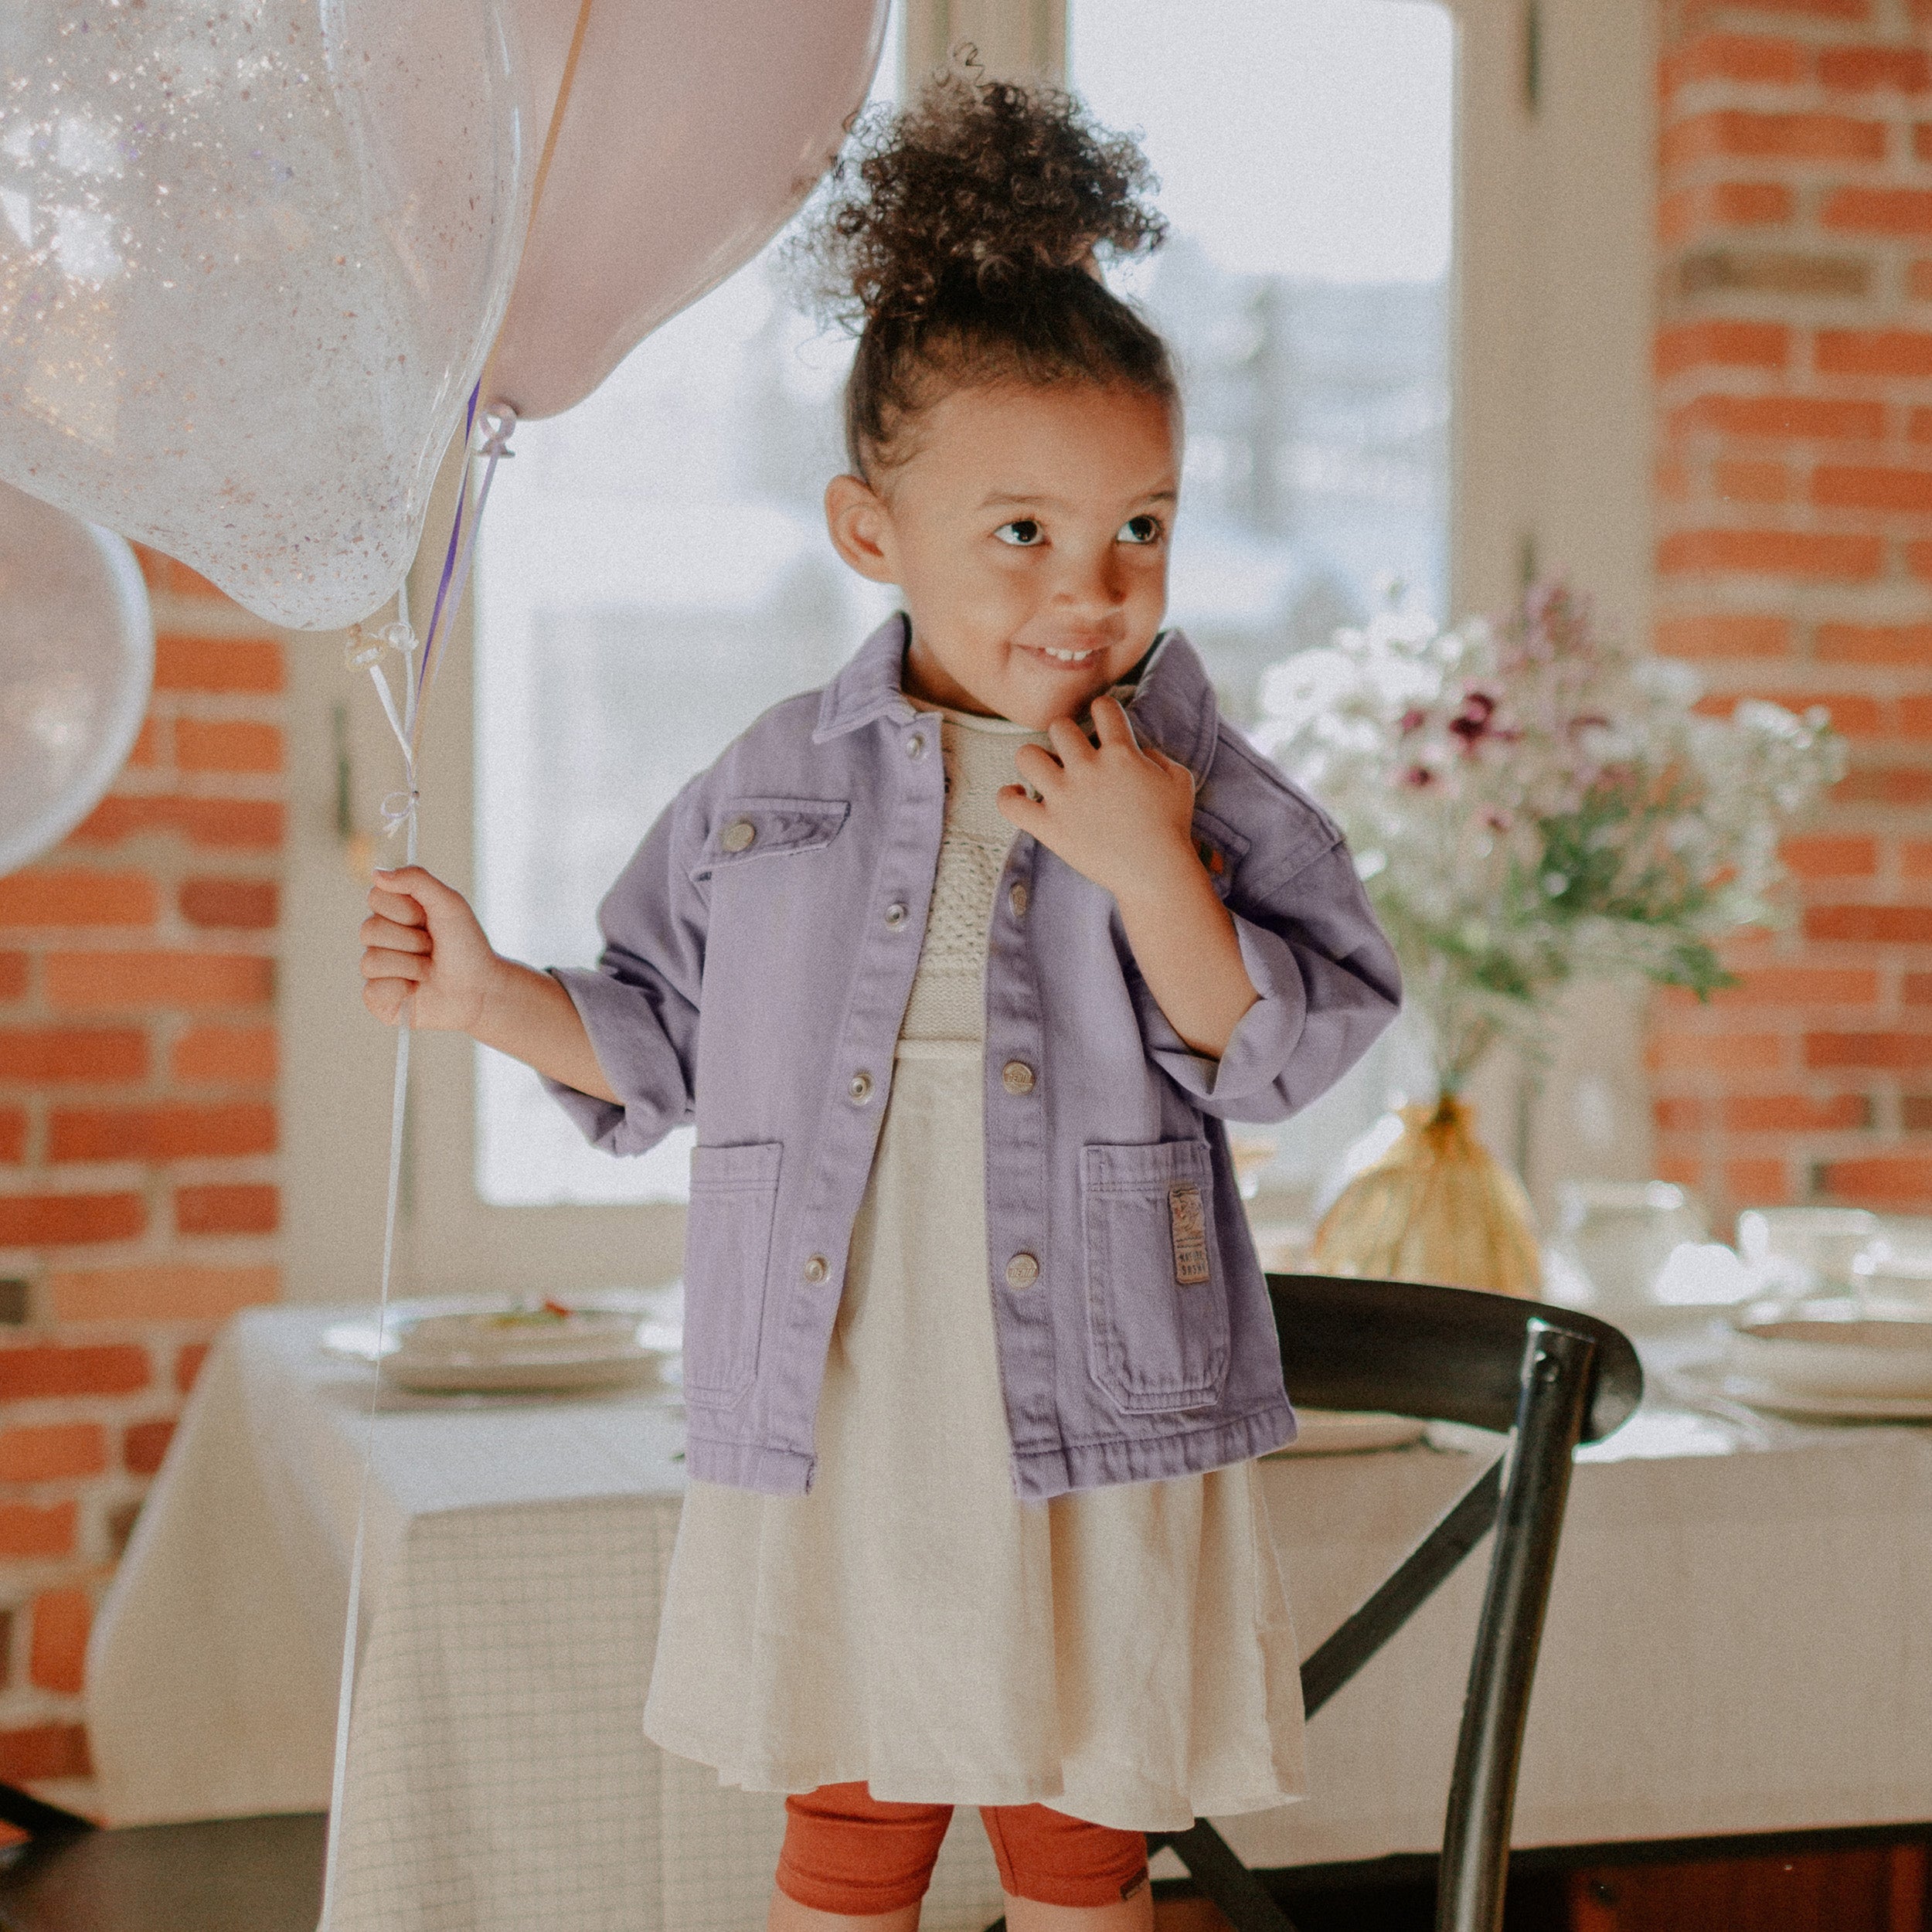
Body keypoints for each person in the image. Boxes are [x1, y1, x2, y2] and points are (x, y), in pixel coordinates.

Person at [359, 65, 1400, 1932]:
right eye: (1021, 532)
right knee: (848, 1816)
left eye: (1137, 529)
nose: (1087, 590)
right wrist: (490, 991)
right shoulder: (774, 780)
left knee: (1076, 1816)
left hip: (1083, 1389)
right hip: (841, 1393)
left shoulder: (1193, 779)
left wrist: (1154, 867)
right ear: (870, 530)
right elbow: (656, 1031)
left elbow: (1286, 1052)